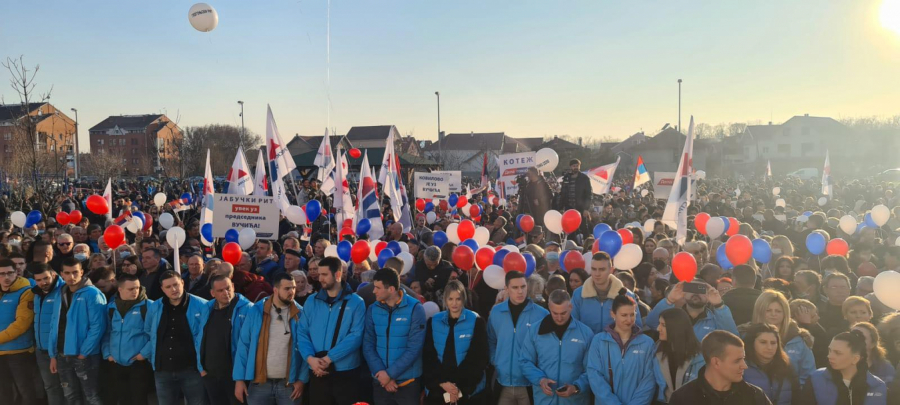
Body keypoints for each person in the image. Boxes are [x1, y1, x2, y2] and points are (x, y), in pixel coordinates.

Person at [296, 257, 366, 405]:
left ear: (338, 275)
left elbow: (356, 336)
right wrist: (310, 359)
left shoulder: (356, 302)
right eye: (319, 274)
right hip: (317, 371)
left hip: (345, 373)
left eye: (324, 274)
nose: (319, 278)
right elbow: (302, 332)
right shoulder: (311, 301)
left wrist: (329, 358)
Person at [233, 273, 306, 405]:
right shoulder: (256, 310)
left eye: (293, 288)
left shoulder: (300, 313)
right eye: (287, 288)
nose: (292, 292)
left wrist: (302, 380)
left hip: (289, 384)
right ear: (275, 290)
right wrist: (239, 379)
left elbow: (307, 349)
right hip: (260, 383)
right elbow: (244, 345)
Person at [48, 257, 108, 405]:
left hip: (85, 356)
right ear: (61, 274)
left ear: (82, 272)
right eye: (67, 273)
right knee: (70, 396)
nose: (71, 277)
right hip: (62, 354)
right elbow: (54, 324)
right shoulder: (59, 293)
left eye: (75, 272)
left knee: (92, 397)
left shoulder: (93, 294)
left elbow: (98, 326)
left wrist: (84, 353)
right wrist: (53, 354)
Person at [144, 270, 210, 405]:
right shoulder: (155, 306)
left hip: (192, 369)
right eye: (168, 287)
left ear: (182, 283)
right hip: (162, 370)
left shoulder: (202, 305)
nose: (173, 289)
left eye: (175, 284)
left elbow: (207, 337)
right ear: (162, 289)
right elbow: (149, 331)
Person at [363, 267, 426, 404]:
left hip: (408, 384)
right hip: (380, 382)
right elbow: (368, 344)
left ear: (391, 289)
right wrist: (381, 374)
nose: (374, 291)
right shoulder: (373, 309)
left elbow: (414, 348)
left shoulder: (415, 309)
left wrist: (389, 374)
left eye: (378, 288)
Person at [519, 289, 592, 405]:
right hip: (544, 400)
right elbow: (525, 361)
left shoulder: (586, 333)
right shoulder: (534, 331)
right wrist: (540, 380)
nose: (559, 318)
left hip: (575, 400)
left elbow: (592, 369)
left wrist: (577, 387)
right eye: (554, 313)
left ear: (571, 307)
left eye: (563, 313)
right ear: (549, 307)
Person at [488, 270, 549, 405]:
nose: (520, 291)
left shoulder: (542, 315)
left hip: (530, 384)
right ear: (506, 288)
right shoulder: (496, 312)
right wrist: (495, 360)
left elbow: (547, 348)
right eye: (515, 287)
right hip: (502, 381)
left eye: (523, 286)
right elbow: (491, 340)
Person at [423, 280, 490, 404]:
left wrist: (457, 389)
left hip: (469, 390)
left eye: (458, 299)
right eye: (450, 299)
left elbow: (479, 357)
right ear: (445, 299)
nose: (454, 303)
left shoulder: (477, 321)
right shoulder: (433, 321)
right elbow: (428, 356)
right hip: (438, 390)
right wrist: (443, 383)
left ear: (463, 299)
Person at [586, 288, 656, 404]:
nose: (629, 320)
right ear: (613, 314)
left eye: (632, 314)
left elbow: (649, 379)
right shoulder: (599, 341)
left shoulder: (647, 343)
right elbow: (595, 377)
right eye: (624, 315)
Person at [668, 330, 771, 405]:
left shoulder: (755, 396)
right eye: (737, 360)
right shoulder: (682, 399)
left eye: (743, 358)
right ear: (716, 362)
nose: (744, 366)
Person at [101, 273, 153, 405]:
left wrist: (143, 354)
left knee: (139, 400)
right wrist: (108, 353)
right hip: (117, 363)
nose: (135, 291)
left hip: (139, 363)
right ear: (120, 289)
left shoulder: (149, 307)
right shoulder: (111, 308)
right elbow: (107, 333)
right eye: (131, 289)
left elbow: (156, 334)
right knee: (123, 399)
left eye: (137, 288)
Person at [200, 275, 253, 405]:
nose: (226, 293)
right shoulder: (207, 308)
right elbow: (199, 338)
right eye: (220, 290)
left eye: (228, 288)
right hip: (211, 376)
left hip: (236, 377)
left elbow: (249, 345)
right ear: (212, 293)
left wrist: (240, 378)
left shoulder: (248, 309)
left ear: (233, 287)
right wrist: (201, 367)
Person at [800, 330, 888, 405]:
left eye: (837, 353)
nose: (829, 356)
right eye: (830, 350)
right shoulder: (815, 379)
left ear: (855, 359)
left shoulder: (877, 386)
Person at [748, 290, 815, 385]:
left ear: (785, 313)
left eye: (778, 311)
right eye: (768, 310)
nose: (773, 314)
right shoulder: (746, 336)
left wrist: (795, 393)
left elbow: (808, 374)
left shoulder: (800, 340)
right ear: (760, 311)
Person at [0, 258, 42, 405]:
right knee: (4, 394)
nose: (6, 277)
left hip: (19, 352)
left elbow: (21, 324)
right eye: (2, 274)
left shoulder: (26, 292)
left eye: (9, 273)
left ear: (16, 273)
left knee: (26, 392)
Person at [571, 252, 642, 334]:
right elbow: (572, 325)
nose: (597, 274)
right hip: (587, 345)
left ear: (611, 270)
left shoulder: (627, 295)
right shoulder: (579, 294)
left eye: (602, 269)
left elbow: (636, 327)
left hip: (616, 345)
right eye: (594, 269)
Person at [647, 281, 738, 343]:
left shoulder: (716, 320)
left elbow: (733, 338)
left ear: (708, 295)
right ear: (684, 293)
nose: (696, 293)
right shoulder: (674, 317)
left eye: (701, 290)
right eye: (692, 289)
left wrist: (719, 305)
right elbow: (651, 323)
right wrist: (669, 300)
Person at [653, 308, 705, 403]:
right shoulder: (657, 351)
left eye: (663, 325)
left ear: (676, 327)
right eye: (659, 324)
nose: (658, 328)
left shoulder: (700, 358)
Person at [31, 263, 66, 405]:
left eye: (45, 278)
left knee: (67, 388)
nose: (43, 283)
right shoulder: (37, 294)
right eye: (38, 280)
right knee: (50, 387)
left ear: (53, 275)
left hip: (60, 350)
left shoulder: (63, 291)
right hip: (41, 349)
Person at [741, 323, 800, 405]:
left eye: (773, 343)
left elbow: (797, 398)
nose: (769, 347)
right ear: (752, 343)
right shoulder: (742, 368)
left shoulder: (787, 366)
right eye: (763, 342)